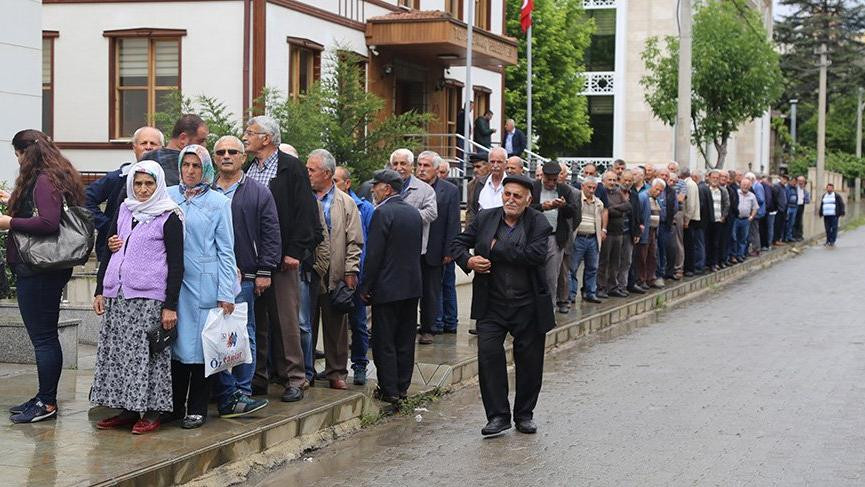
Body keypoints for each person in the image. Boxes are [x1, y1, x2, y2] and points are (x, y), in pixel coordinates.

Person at [451, 174, 553, 436]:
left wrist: (495, 248)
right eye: (506, 194)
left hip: (528, 304)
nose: (510, 199)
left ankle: (524, 415)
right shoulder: (486, 218)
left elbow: (534, 256)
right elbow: (457, 243)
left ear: (528, 200)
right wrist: (468, 261)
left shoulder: (538, 222)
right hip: (492, 304)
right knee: (488, 356)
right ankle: (497, 416)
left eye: (516, 196)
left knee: (529, 363)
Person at [90, 161, 183, 434]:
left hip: (149, 299)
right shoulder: (124, 209)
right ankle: (127, 409)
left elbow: (177, 264)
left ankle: (154, 411)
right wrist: (99, 289)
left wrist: (170, 306)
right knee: (120, 355)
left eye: (149, 184)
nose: (143, 189)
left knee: (149, 356)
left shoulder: (169, 216)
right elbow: (108, 250)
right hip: (118, 296)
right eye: (138, 183)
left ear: (158, 185)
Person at [2, 130, 86, 424]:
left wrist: (8, 221)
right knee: (45, 336)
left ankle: (46, 402)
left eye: (17, 155)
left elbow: (48, 222)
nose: (18, 161)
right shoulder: (55, 174)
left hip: (39, 271)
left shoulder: (43, 179)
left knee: (43, 338)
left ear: (25, 153)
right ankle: (43, 396)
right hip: (45, 270)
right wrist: (13, 199)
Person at [243, 116, 320, 403]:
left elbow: (306, 215)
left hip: (283, 260)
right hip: (253, 260)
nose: (245, 137)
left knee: (287, 321)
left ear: (267, 138)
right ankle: (258, 377)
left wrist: (295, 252)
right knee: (256, 321)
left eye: (251, 133)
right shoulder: (250, 170)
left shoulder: (292, 168)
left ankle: (295, 379)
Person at [164, 144, 236, 429]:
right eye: (186, 165)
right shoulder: (168, 196)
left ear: (205, 168)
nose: (190, 171)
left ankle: (197, 408)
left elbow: (226, 250)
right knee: (176, 347)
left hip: (204, 282)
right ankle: (173, 405)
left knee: (201, 349)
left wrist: (226, 292)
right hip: (171, 283)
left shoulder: (218, 203)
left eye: (196, 166)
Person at [211, 136, 280, 417]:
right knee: (215, 334)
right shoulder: (205, 190)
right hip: (211, 276)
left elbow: (271, 233)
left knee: (243, 333)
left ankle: (243, 390)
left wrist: (264, 271)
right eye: (220, 152)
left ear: (242, 157)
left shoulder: (259, 191)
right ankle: (223, 392)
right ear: (214, 158)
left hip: (246, 276)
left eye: (232, 152)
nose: (226, 156)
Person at [358, 169, 423, 404]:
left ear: (387, 189)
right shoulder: (413, 213)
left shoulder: (382, 213)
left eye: (376, 186)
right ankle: (402, 387)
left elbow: (374, 255)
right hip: (411, 286)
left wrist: (365, 286)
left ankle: (389, 389)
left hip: (387, 288)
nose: (373, 190)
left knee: (384, 340)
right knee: (405, 339)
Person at [306, 149, 363, 389]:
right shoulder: (304, 198)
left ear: (327, 173)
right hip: (308, 271)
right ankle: (305, 371)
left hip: (336, 272)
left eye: (312, 170)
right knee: (305, 324)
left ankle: (336, 372)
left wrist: (351, 271)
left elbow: (355, 240)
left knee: (336, 326)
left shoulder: (345, 202)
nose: (307, 173)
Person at [86, 126, 164, 261]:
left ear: (162, 149)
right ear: (134, 147)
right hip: (115, 252)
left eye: (153, 144)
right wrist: (108, 225)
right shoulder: (118, 177)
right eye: (143, 143)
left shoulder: (168, 180)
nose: (148, 147)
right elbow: (85, 198)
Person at [333, 166, 374, 384]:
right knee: (334, 324)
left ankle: (359, 365)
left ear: (347, 183)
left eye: (336, 180)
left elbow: (368, 243)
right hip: (332, 275)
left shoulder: (364, 208)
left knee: (357, 323)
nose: (333, 184)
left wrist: (364, 277)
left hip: (356, 275)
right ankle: (336, 366)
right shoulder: (325, 203)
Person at [415, 151, 461, 344]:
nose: (422, 169)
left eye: (426, 166)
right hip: (410, 249)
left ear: (436, 169)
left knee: (431, 292)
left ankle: (429, 329)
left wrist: (449, 250)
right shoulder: (410, 187)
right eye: (419, 165)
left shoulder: (449, 190)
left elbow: (452, 223)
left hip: (434, 249)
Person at [531, 161, 580, 313]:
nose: (551, 183)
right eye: (548, 179)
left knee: (552, 277)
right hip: (534, 238)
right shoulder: (534, 187)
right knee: (533, 274)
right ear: (542, 176)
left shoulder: (564, 189)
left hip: (555, 238)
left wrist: (563, 205)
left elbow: (573, 212)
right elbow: (525, 210)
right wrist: (542, 207)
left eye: (554, 180)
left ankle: (549, 308)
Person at [387, 149, 437, 255]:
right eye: (395, 164)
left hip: (414, 249)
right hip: (388, 248)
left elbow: (431, 213)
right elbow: (376, 209)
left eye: (403, 163)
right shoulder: (383, 188)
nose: (399, 168)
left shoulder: (425, 189)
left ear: (411, 166)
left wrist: (406, 216)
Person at [141, 114, 209, 186]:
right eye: (200, 141)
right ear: (183, 139)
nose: (204, 146)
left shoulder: (147, 159)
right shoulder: (180, 165)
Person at [572, 177, 605, 304]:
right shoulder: (576, 200)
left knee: (592, 267)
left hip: (592, 238)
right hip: (579, 237)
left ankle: (590, 292)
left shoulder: (599, 203)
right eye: (589, 187)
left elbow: (601, 219)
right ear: (583, 187)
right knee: (573, 268)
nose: (591, 190)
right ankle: (571, 294)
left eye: (593, 188)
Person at [598, 171, 629, 298]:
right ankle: (600, 287)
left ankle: (613, 286)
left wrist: (613, 209)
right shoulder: (601, 192)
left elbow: (628, 206)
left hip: (619, 232)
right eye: (609, 180)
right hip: (607, 232)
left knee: (616, 261)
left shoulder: (618, 192)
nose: (612, 182)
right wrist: (617, 209)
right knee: (604, 261)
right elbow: (605, 209)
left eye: (614, 180)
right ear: (604, 180)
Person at [637, 179, 665, 289]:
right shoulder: (643, 197)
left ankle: (650, 278)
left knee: (652, 255)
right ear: (652, 187)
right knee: (642, 256)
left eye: (661, 191)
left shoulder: (656, 199)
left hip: (653, 231)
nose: (658, 192)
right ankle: (641, 279)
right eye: (657, 189)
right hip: (645, 231)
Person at [468, 147, 507, 221]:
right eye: (492, 162)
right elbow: (472, 212)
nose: (495, 165)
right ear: (489, 163)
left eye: (499, 162)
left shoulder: (512, 183)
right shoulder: (478, 184)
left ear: (506, 163)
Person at [704, 170, 729, 271]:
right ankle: (707, 262)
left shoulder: (722, 191)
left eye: (717, 178)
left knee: (716, 243)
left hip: (718, 220)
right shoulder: (706, 190)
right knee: (707, 242)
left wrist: (724, 216)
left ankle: (714, 263)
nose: (715, 180)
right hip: (708, 220)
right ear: (709, 178)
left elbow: (727, 204)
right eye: (713, 178)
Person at [732, 177, 759, 263]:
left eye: (747, 185)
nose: (745, 186)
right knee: (734, 238)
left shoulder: (752, 196)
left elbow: (755, 208)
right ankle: (734, 255)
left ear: (750, 186)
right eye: (744, 184)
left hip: (745, 220)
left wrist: (751, 217)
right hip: (736, 219)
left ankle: (741, 255)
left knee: (743, 239)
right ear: (740, 185)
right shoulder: (736, 193)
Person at [465, 158, 490, 227]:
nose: (475, 170)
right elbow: (470, 210)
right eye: (473, 167)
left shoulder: (494, 183)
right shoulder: (471, 185)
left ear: (488, 167)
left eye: (478, 167)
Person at [772, 175, 789, 247]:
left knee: (781, 225)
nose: (784, 181)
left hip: (783, 209)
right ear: (780, 179)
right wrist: (778, 207)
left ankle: (778, 239)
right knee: (777, 225)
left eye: (786, 180)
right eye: (783, 179)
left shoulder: (784, 188)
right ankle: (775, 240)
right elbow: (775, 198)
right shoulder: (777, 186)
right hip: (778, 209)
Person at [793, 176, 810, 241]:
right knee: (794, 221)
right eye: (799, 181)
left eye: (802, 181)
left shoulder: (805, 191)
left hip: (801, 206)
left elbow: (808, 200)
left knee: (799, 221)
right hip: (795, 206)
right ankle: (794, 235)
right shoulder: (794, 189)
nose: (800, 182)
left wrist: (804, 200)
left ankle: (799, 235)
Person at [784, 175, 799, 242]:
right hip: (788, 207)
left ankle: (789, 236)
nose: (794, 183)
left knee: (791, 223)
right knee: (786, 223)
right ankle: (785, 237)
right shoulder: (787, 188)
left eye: (795, 181)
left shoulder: (795, 188)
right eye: (793, 181)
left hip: (794, 207)